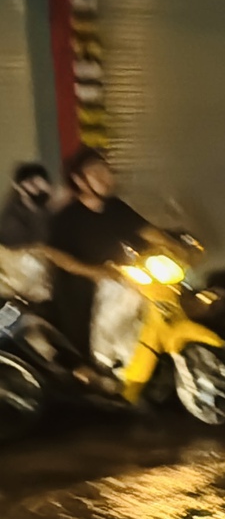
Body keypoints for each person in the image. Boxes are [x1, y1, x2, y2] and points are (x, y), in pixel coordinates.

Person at [40, 149, 157, 365]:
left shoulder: (116, 208)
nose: (104, 176)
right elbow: (56, 255)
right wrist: (92, 271)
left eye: (106, 170)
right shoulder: (66, 218)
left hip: (117, 282)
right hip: (82, 290)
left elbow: (147, 231)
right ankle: (88, 367)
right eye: (95, 171)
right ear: (79, 180)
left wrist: (177, 246)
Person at [0, 164, 51, 249]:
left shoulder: (46, 211)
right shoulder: (11, 219)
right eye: (32, 184)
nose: (39, 188)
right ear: (18, 187)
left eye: (42, 183)